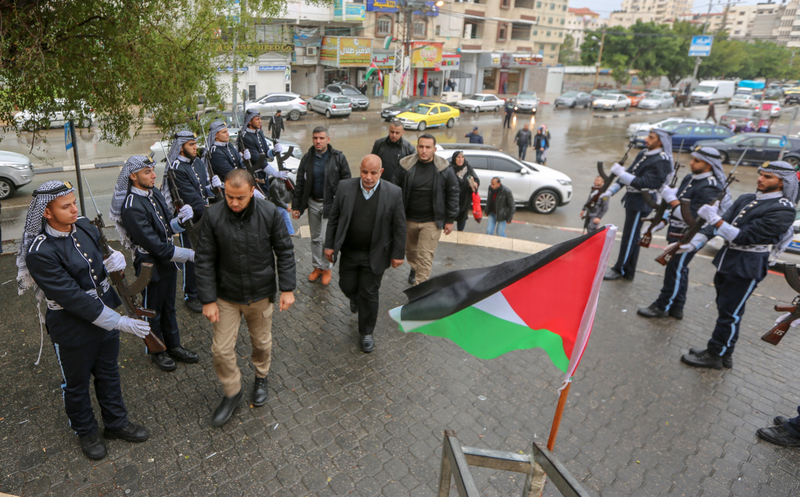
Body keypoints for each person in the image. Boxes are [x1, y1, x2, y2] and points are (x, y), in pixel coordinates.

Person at [17, 180, 150, 460]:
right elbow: (73, 298)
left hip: (106, 314)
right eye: (65, 206)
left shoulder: (85, 226)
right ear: (47, 212)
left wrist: (113, 258)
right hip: (72, 327)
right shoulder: (40, 252)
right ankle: (86, 431)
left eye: (74, 203)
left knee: (109, 373)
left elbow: (99, 255)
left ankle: (116, 423)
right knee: (76, 384)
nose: (74, 209)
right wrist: (119, 322)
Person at [195, 169, 296, 427]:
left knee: (261, 343)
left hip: (259, 294)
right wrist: (207, 299)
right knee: (220, 349)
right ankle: (233, 392)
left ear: (252, 191)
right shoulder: (213, 215)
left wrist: (287, 288)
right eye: (229, 196)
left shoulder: (269, 212)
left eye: (240, 197)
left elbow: (284, 250)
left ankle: (261, 377)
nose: (234, 202)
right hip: (225, 295)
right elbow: (204, 258)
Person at [679, 161, 796, 369]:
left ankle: (715, 354)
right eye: (760, 174)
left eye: (768, 176)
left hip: (747, 266)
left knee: (729, 314)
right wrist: (694, 243)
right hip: (727, 260)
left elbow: (744, 237)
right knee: (726, 310)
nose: (760, 178)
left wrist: (715, 220)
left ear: (782, 183)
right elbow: (721, 223)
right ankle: (724, 352)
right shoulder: (747, 198)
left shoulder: (783, 209)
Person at [110, 155, 199, 372]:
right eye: (147, 172)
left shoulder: (153, 193)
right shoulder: (131, 206)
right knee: (153, 309)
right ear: (133, 176)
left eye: (152, 170)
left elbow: (167, 227)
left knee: (169, 306)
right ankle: (157, 350)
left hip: (167, 259)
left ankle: (174, 345)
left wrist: (180, 221)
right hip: (150, 265)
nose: (153, 175)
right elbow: (155, 246)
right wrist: (190, 255)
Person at [324, 155, 406, 352]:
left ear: (381, 172)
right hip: (350, 252)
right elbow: (334, 218)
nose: (368, 177)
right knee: (346, 285)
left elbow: (399, 226)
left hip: (375, 254)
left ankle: (366, 332)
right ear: (359, 170)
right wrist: (329, 245)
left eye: (373, 173)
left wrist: (398, 253)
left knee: (369, 293)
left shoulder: (393, 193)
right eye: (365, 172)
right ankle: (355, 298)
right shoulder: (345, 187)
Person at [636, 147, 726, 321]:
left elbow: (692, 217)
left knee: (674, 270)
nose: (691, 163)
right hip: (676, 231)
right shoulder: (690, 178)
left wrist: (672, 199)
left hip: (690, 235)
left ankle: (662, 305)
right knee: (679, 269)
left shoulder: (710, 186)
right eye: (692, 159)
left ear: (709, 165)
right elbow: (673, 211)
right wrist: (661, 221)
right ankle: (677, 306)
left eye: (696, 161)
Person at [161, 130, 222, 314]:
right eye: (191, 144)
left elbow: (202, 191)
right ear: (181, 148)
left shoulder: (197, 163)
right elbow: (191, 199)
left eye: (195, 144)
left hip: (204, 215)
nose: (196, 147)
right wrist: (214, 213)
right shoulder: (176, 169)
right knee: (192, 258)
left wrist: (214, 189)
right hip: (190, 221)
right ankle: (191, 295)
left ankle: (205, 290)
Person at [601, 129, 673, 281]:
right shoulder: (644, 153)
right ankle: (629, 270)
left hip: (643, 201)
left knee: (630, 237)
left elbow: (645, 183)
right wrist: (611, 191)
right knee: (632, 237)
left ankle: (619, 269)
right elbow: (630, 173)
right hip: (633, 199)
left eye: (651, 137)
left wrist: (621, 174)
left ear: (660, 142)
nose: (646, 139)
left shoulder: (662, 160)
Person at [396, 134, 459, 285]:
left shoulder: (444, 169)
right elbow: (395, 190)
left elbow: (453, 193)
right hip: (408, 220)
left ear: (434, 149)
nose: (424, 151)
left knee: (425, 257)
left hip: (431, 222)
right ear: (417, 147)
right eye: (421, 147)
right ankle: (414, 268)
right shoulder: (405, 166)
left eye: (428, 147)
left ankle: (420, 290)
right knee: (411, 252)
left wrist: (450, 219)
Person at [292, 126, 351, 286]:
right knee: (315, 238)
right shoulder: (307, 158)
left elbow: (347, 181)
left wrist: (344, 205)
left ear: (328, 139)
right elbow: (300, 182)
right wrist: (296, 206)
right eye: (315, 138)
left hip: (331, 205)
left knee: (326, 239)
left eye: (321, 138)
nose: (318, 141)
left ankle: (327, 268)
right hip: (313, 203)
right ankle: (317, 266)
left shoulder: (338, 157)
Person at [239, 109, 288, 186]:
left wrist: (274, 151)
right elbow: (258, 159)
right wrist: (274, 172)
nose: (260, 121)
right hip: (254, 177)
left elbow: (266, 152)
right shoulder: (246, 137)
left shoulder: (259, 132)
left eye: (260, 119)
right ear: (250, 121)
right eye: (257, 119)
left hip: (264, 175)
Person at [370, 120, 415, 185]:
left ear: (402, 132)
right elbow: (372, 162)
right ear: (389, 130)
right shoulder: (379, 144)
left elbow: (411, 170)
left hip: (398, 184)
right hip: (380, 182)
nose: (394, 135)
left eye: (397, 133)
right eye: (392, 132)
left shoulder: (409, 149)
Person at [449, 151, 480, 232]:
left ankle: (460, 233)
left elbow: (474, 177)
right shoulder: (450, 168)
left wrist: (475, 183)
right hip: (453, 197)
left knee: (462, 216)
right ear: (454, 158)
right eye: (458, 157)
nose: (460, 159)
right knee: (450, 216)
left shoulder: (467, 167)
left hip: (465, 197)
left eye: (462, 157)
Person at [269, 170, 295, 236]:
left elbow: (291, 191)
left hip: (283, 204)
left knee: (287, 219)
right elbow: (277, 199)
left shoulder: (286, 181)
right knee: (275, 221)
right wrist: (286, 207)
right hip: (277, 206)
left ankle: (291, 233)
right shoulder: (275, 184)